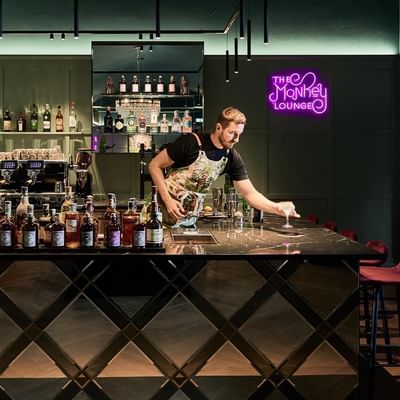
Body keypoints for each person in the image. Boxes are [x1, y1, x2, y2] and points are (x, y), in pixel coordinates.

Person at [148, 106, 300, 227]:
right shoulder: (191, 142)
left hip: (187, 221)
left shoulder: (231, 157)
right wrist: (168, 200)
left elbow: (250, 194)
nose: (236, 139)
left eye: (239, 134)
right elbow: (154, 165)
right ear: (219, 127)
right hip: (158, 215)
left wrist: (277, 208)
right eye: (232, 133)